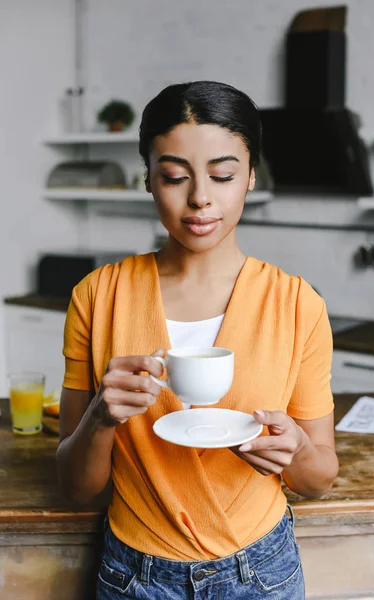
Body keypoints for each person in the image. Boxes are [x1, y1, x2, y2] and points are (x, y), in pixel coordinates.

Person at [57, 80, 339, 600]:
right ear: (149, 179)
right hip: (133, 574)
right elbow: (78, 489)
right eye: (174, 176)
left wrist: (296, 449)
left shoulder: (297, 304)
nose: (200, 198)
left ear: (251, 176)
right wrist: (100, 415)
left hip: (264, 572)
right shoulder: (97, 296)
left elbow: (320, 478)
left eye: (223, 175)